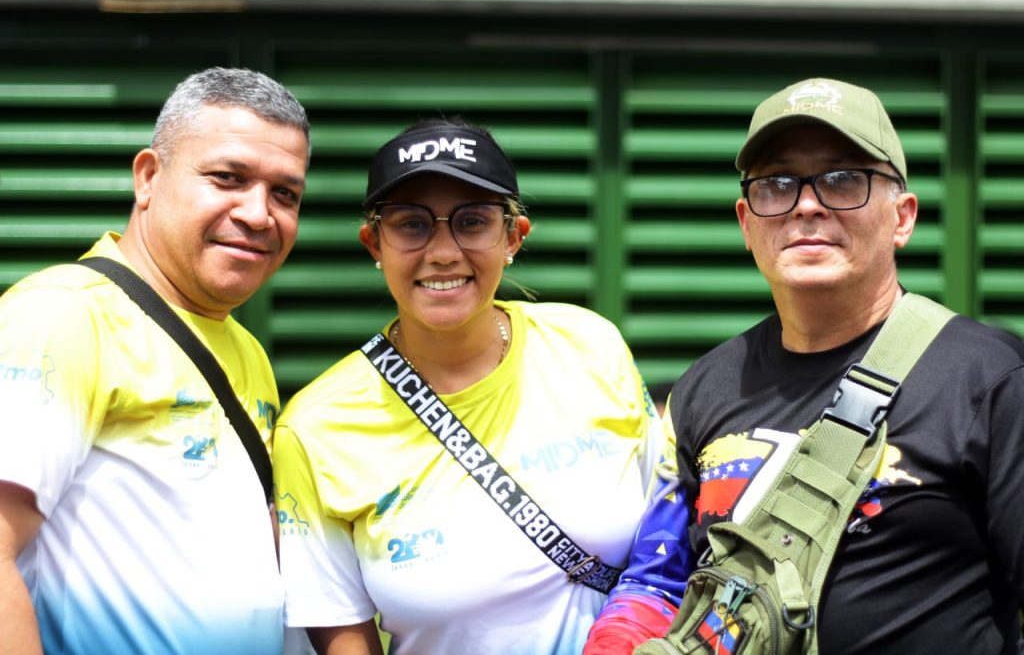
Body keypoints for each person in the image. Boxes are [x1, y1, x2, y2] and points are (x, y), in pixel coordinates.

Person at [584, 76, 1024, 654]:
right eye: (777, 184)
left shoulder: (989, 378)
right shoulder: (704, 387)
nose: (808, 204)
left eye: (844, 180)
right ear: (747, 222)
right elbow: (666, 582)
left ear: (904, 217)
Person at [272, 118, 673, 655]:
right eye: (412, 224)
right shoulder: (317, 425)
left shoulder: (590, 344)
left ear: (513, 236)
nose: (442, 251)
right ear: (375, 242)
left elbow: (664, 542)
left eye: (472, 222)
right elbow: (340, 630)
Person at [0, 67, 310, 654]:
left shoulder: (245, 349)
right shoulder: (63, 316)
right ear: (149, 177)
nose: (258, 213)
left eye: (285, 194)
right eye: (227, 177)